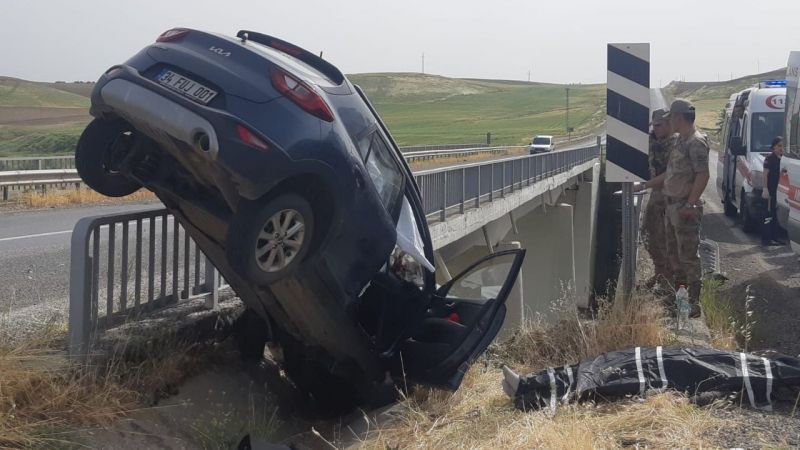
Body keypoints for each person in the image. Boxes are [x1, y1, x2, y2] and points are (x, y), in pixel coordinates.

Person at [638, 99, 709, 317]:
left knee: (687, 258)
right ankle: (679, 302)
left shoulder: (695, 142)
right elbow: (671, 173)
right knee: (675, 258)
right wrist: (645, 185)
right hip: (672, 206)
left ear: (678, 118)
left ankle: (692, 306)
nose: (669, 123)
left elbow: (702, 175)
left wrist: (690, 203)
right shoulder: (681, 141)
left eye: (670, 119)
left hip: (683, 207)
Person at [642, 109, 676, 290]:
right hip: (657, 195)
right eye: (653, 125)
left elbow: (669, 173)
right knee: (648, 234)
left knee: (667, 239)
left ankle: (667, 280)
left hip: (671, 197)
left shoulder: (676, 144)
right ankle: (660, 271)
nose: (655, 129)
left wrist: (644, 185)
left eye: (659, 125)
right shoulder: (655, 140)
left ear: (669, 124)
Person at [761, 137, 785, 246]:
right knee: (768, 216)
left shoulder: (782, 159)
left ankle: (775, 237)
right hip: (770, 191)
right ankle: (766, 239)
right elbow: (765, 175)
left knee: (775, 215)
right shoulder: (769, 159)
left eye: (782, 146)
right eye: (779, 146)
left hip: (778, 191)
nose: (781, 148)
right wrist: (765, 189)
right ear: (774, 146)